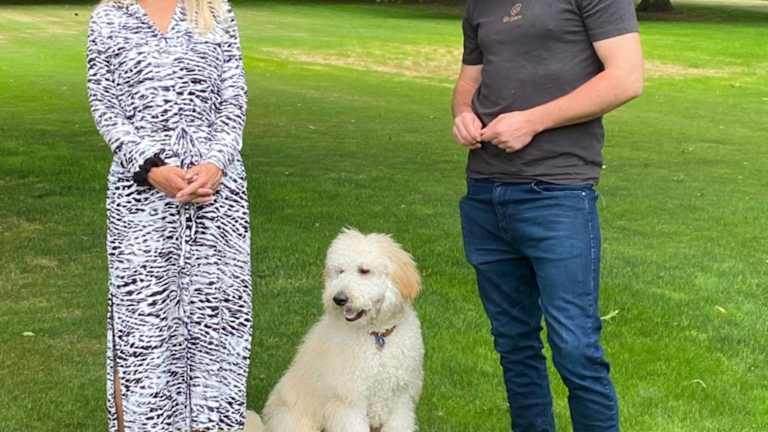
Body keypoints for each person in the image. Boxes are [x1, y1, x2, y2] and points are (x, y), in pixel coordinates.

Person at [453, 0, 643, 431]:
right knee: (514, 345)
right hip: (485, 192)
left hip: (558, 194)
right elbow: (469, 81)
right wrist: (463, 114)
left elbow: (627, 78)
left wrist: (532, 122)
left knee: (576, 347)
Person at [86, 0, 252, 430]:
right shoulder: (110, 16)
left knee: (215, 325)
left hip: (217, 198)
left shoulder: (215, 10)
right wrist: (149, 168)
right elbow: (104, 105)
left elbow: (233, 98)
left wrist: (216, 164)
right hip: (139, 200)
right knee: (143, 327)